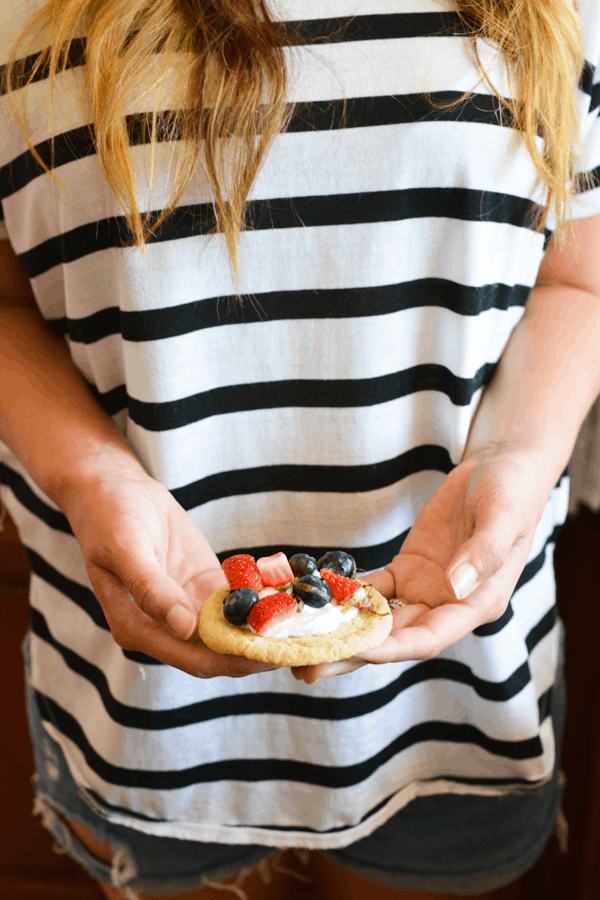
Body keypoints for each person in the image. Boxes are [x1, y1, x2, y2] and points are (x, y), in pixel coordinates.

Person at [1, 0, 600, 897]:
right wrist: (89, 475)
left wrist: (514, 454)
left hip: (455, 689)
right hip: (144, 698)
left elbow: (578, 272)